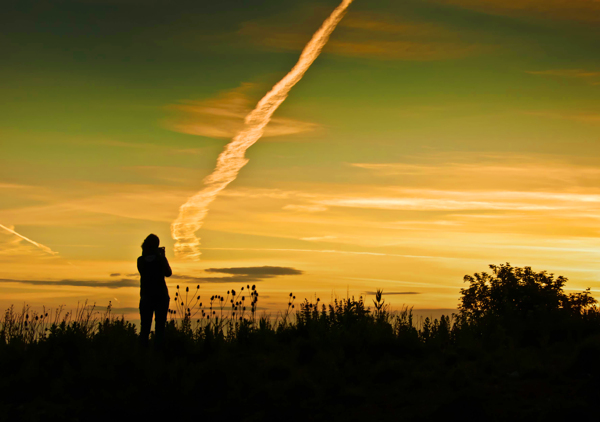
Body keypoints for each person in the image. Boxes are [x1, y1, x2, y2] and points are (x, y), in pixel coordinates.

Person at [137, 234, 172, 347]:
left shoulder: (141, 260)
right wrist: (162, 257)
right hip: (161, 297)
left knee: (145, 328)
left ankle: (143, 355)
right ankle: (158, 355)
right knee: (160, 328)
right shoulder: (159, 259)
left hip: (146, 297)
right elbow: (168, 273)